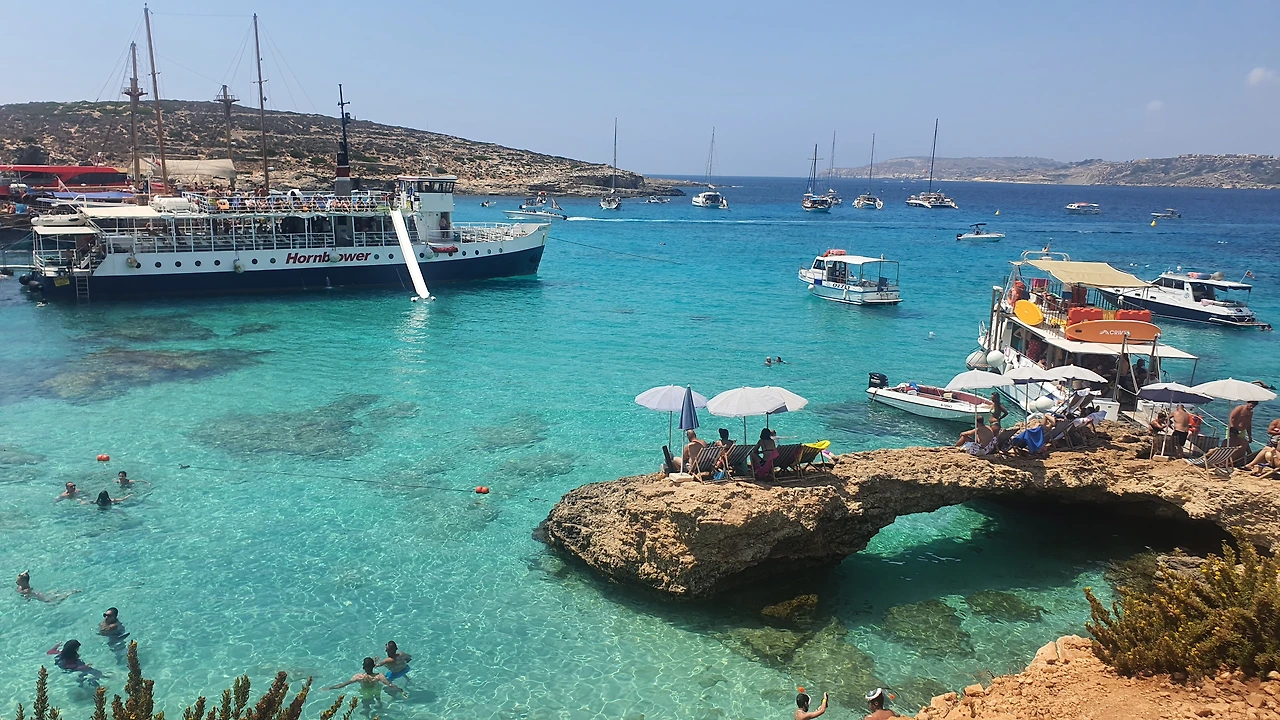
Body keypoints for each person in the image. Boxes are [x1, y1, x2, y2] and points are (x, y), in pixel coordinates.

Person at [324, 657, 401, 711]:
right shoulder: (379, 676)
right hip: (376, 690)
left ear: (363, 667)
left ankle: (367, 716)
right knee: (378, 700)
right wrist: (400, 690)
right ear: (373, 666)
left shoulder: (358, 677)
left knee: (366, 706)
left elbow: (343, 685)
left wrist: (329, 688)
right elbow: (389, 684)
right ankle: (380, 707)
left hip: (365, 692)